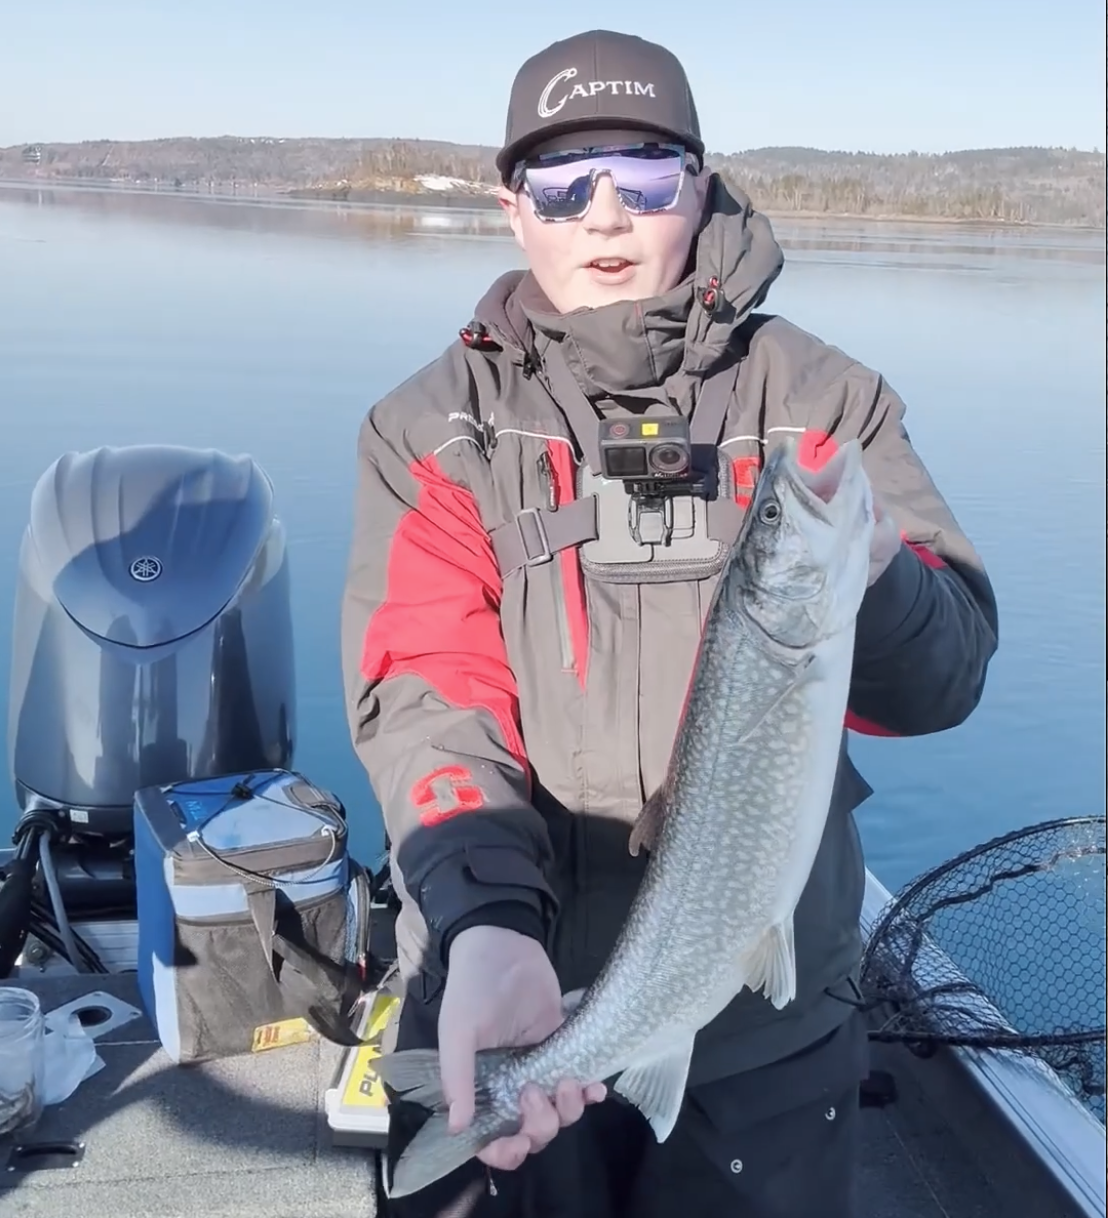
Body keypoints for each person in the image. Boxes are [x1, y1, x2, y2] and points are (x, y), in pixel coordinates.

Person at [340, 28, 999, 1218]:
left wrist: (883, 571)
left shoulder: (822, 402)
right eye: (564, 180)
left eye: (644, 176)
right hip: (511, 989)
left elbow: (941, 684)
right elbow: (432, 692)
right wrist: (484, 920)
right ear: (512, 206)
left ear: (697, 185)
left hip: (771, 1037)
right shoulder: (435, 427)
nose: (605, 214)